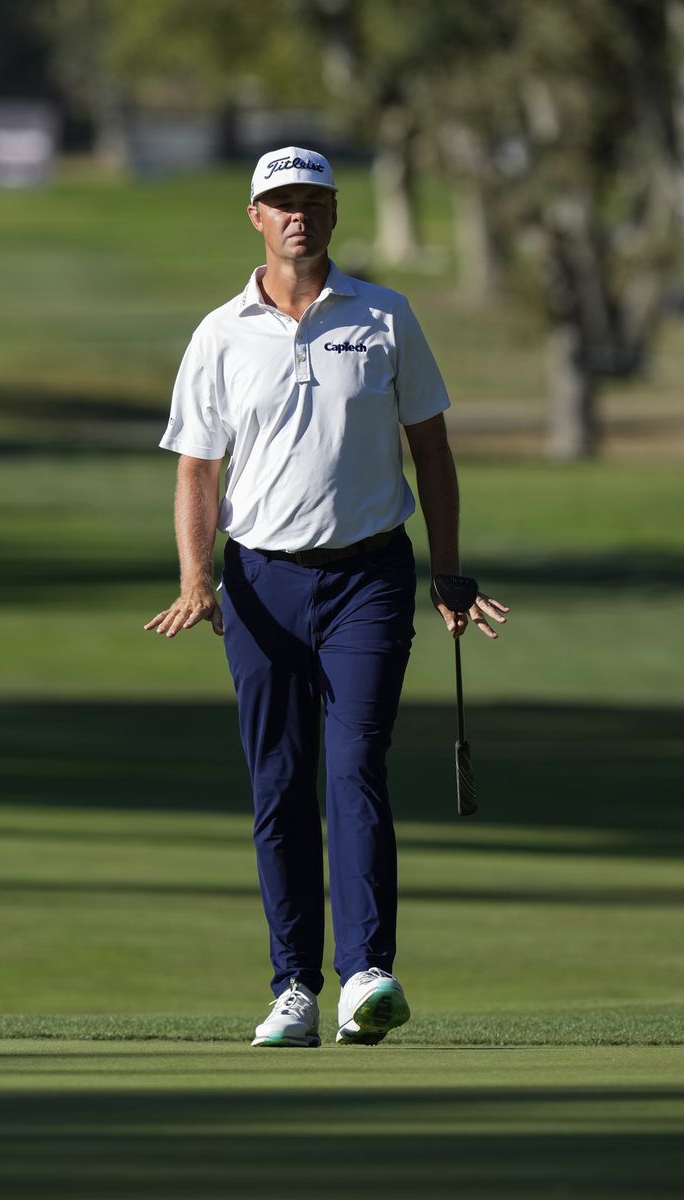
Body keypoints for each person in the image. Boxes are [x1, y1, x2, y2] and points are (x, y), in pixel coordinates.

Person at [145, 146, 509, 1048]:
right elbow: (199, 468)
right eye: (281, 201)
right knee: (279, 782)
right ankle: (294, 988)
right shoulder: (220, 332)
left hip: (368, 578)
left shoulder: (385, 316)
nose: (297, 214)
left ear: (336, 214)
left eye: (312, 200)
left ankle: (368, 975)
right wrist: (197, 576)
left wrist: (449, 572)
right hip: (260, 581)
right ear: (256, 217)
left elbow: (432, 450)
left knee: (354, 766)